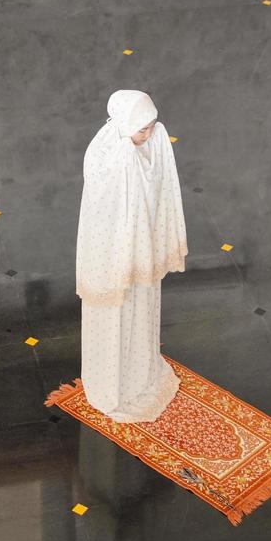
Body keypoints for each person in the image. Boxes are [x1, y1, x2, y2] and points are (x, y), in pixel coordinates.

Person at [76, 89, 188, 422]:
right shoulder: (108, 155)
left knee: (140, 307)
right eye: (143, 129)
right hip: (112, 253)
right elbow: (105, 209)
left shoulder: (146, 145)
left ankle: (138, 371)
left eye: (152, 126)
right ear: (124, 124)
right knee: (114, 313)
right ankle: (111, 384)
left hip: (141, 247)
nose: (149, 135)